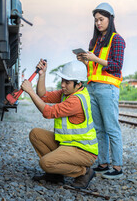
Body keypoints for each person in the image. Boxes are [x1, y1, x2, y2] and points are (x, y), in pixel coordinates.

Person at [21, 59, 98, 189]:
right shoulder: (67, 93)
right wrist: (42, 74)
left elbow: (48, 112)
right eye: (62, 80)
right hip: (68, 144)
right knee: (36, 134)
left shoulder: (76, 100)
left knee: (45, 163)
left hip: (83, 151)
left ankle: (84, 172)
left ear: (78, 84)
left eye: (67, 82)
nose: (62, 85)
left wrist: (30, 92)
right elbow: (43, 95)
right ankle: (55, 175)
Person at [75, 2, 125, 179]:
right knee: (99, 129)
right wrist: (85, 60)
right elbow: (94, 66)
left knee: (112, 128)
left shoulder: (116, 39)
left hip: (108, 88)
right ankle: (103, 164)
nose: (98, 23)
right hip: (93, 87)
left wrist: (95, 57)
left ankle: (117, 167)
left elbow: (117, 65)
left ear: (110, 19)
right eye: (96, 20)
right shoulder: (95, 42)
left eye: (101, 19)